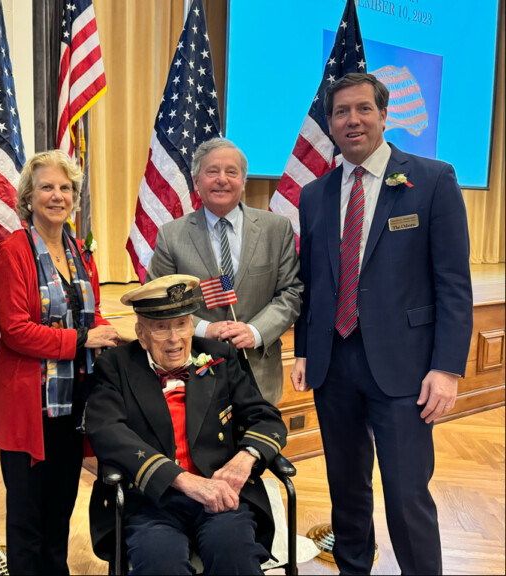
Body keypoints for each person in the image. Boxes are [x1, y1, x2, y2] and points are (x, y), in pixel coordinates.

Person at [291, 73, 473, 575]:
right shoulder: (315, 195)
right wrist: (304, 349)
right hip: (334, 367)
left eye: (363, 109)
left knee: (405, 493)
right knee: (346, 491)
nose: (352, 120)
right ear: (329, 122)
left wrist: (448, 368)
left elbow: (454, 284)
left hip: (405, 371)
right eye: (341, 112)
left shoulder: (432, 180)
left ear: (384, 114)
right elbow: (314, 282)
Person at [86, 274, 287, 575]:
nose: (174, 339)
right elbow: (107, 431)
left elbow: (265, 417)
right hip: (152, 500)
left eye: (181, 324)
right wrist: (182, 480)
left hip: (220, 495)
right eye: (161, 327)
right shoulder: (116, 366)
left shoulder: (219, 358)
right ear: (141, 333)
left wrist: (245, 458)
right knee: (160, 565)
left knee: (236, 559)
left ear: (192, 325)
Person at [0, 150, 119, 575]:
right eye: (47, 187)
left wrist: (107, 332)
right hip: (29, 408)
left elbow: (90, 312)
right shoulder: (13, 251)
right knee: (28, 521)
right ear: (28, 196)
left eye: (65, 188)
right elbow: (16, 330)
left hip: (73, 407)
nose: (57, 195)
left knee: (60, 511)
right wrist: (83, 338)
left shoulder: (80, 250)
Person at [147, 138, 302, 404]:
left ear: (244, 182)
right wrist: (205, 329)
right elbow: (159, 301)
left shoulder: (277, 229)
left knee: (259, 444)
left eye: (231, 172)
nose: (222, 179)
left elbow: (291, 292)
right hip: (195, 372)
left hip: (260, 372)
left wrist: (254, 331)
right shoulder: (171, 236)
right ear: (196, 182)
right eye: (212, 171)